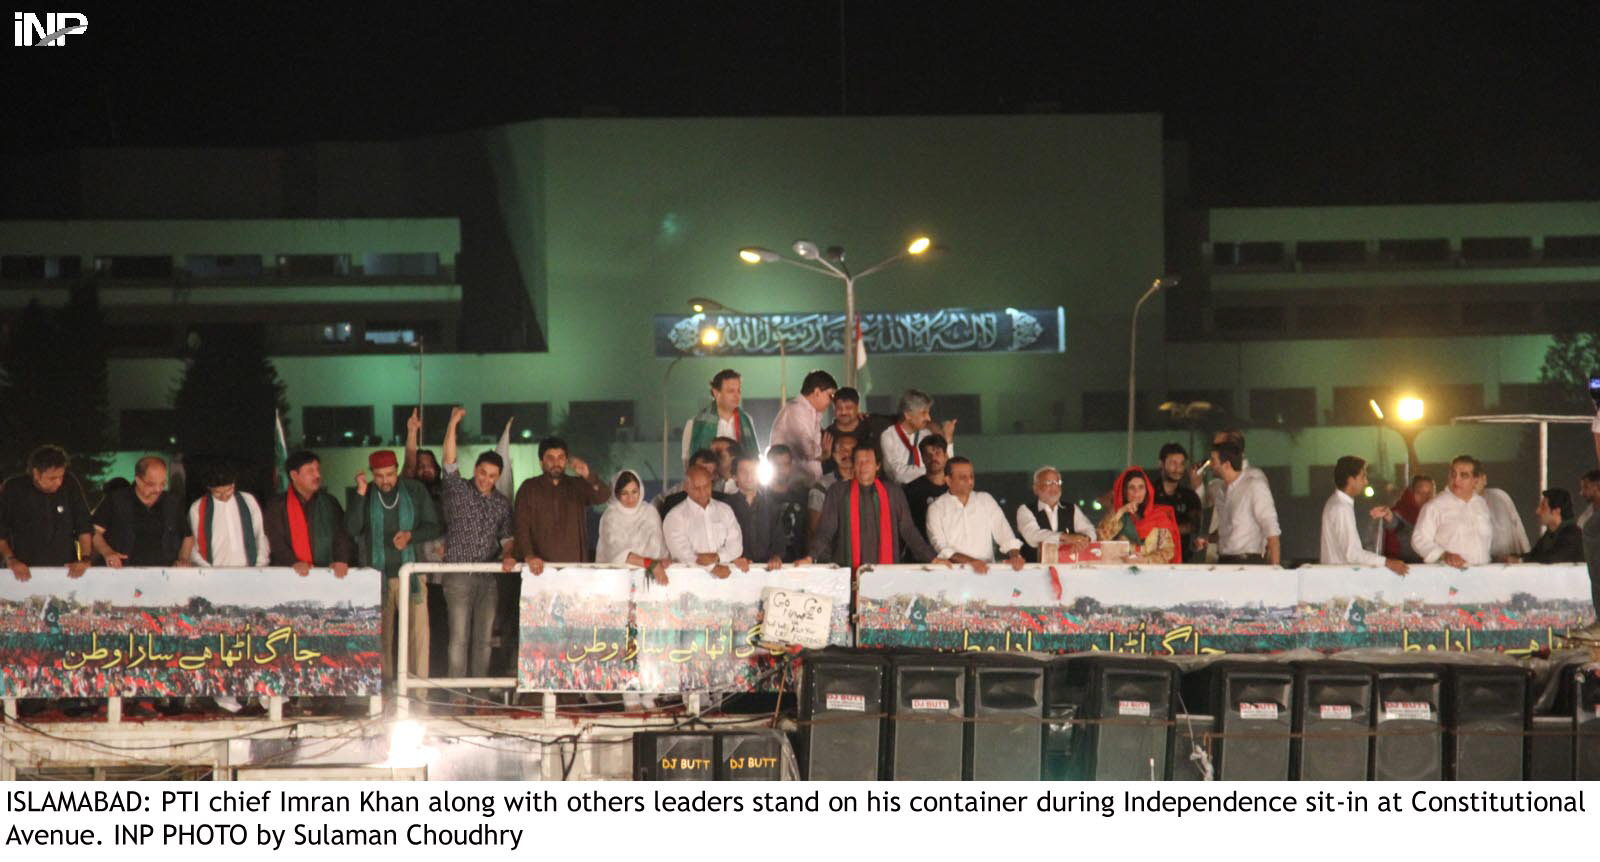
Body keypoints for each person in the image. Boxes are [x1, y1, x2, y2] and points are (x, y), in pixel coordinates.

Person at [348, 449, 443, 684]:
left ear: (397, 469)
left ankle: (418, 692)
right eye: (379, 476)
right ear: (372, 474)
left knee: (418, 636)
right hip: (376, 579)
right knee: (380, 638)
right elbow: (351, 529)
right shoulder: (366, 492)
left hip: (411, 576)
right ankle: (382, 693)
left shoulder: (414, 490)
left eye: (390, 474)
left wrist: (411, 535)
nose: (385, 481)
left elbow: (436, 527)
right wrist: (360, 495)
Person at [438, 407, 518, 682]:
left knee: (483, 641)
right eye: (483, 473)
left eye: (493, 475)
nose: (486, 479)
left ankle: (481, 697)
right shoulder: (458, 489)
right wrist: (453, 424)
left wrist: (509, 555)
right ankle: (457, 696)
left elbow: (508, 539)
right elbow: (449, 460)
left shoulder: (502, 503)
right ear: (475, 470)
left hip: (488, 577)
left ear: (499, 477)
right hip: (458, 576)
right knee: (459, 639)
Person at [801, 445, 944, 568]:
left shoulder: (893, 492)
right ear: (853, 465)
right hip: (847, 572)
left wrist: (932, 558)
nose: (863, 466)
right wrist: (810, 556)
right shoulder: (837, 491)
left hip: (885, 575)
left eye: (868, 461)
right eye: (859, 462)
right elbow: (826, 529)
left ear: (877, 466)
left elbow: (908, 530)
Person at [514, 435, 611, 572]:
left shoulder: (577, 485)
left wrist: (587, 475)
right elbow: (521, 526)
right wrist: (529, 556)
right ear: (541, 462)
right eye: (550, 458)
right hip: (539, 569)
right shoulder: (529, 488)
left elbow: (603, 496)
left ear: (566, 461)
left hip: (575, 569)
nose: (556, 462)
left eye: (561, 457)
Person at [0, 445, 93, 581]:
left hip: (65, 571)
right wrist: (11, 560)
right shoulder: (14, 488)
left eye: (61, 477)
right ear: (36, 473)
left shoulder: (69, 484)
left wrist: (85, 559)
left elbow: (84, 525)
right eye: (52, 478)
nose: (58, 483)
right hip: (23, 572)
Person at [92, 455, 194, 568]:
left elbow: (187, 537)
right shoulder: (116, 500)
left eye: (162, 483)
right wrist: (107, 552)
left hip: (164, 574)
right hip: (121, 572)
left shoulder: (172, 503)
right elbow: (95, 531)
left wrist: (183, 559)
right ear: (138, 480)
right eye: (151, 484)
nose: (158, 489)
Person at [263, 450, 354, 576]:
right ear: (294, 475)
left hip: (326, 573)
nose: (317, 475)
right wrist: (293, 562)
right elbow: (276, 542)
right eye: (310, 470)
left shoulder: (329, 502)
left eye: (318, 469)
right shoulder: (277, 506)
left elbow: (342, 536)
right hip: (289, 574)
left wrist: (341, 560)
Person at [926, 456, 1024, 572]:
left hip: (986, 574)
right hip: (953, 576)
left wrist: (1015, 556)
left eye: (972, 476)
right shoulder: (936, 508)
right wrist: (971, 562)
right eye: (963, 477)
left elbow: (1005, 534)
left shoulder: (985, 500)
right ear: (948, 480)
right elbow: (941, 547)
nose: (970, 481)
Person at [1318, 456, 1408, 574]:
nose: (1366, 482)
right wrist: (1387, 563)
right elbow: (1352, 553)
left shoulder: (1336, 502)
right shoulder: (1341, 508)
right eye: (1363, 476)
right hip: (1340, 582)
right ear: (1351, 480)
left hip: (1337, 579)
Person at [1411, 455, 1494, 569]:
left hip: (1483, 575)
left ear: (1475, 481)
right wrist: (1443, 554)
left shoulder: (1481, 504)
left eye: (1463, 475)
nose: (1456, 480)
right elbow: (1418, 539)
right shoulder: (1435, 506)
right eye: (1453, 474)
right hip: (1448, 576)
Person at [662, 465, 745, 578]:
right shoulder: (675, 516)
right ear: (686, 487)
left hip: (726, 577)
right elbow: (682, 553)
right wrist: (712, 568)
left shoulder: (725, 510)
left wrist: (717, 557)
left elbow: (736, 546)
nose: (702, 492)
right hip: (690, 580)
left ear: (711, 484)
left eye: (706, 486)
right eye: (696, 488)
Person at [1210, 442, 1280, 564]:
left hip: (1249, 563)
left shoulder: (1254, 486)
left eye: (1213, 461)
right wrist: (1208, 538)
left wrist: (1275, 574)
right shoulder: (1221, 492)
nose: (1210, 465)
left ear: (1226, 465)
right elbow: (1227, 531)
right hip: (1224, 562)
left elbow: (1271, 530)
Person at [189, 465, 270, 567]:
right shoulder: (197, 508)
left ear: (234, 484)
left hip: (250, 572)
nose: (224, 496)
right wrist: (208, 570)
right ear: (209, 488)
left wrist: (259, 565)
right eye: (218, 493)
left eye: (228, 490)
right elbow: (193, 547)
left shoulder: (248, 501)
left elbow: (260, 535)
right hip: (213, 574)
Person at [595, 469, 669, 580]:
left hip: (651, 578)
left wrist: (661, 562)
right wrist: (650, 564)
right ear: (616, 494)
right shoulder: (610, 516)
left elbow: (661, 550)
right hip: (617, 579)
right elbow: (617, 553)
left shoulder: (650, 512)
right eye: (624, 493)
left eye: (634, 492)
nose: (630, 498)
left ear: (641, 490)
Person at [1097, 467, 1180, 564]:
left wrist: (1145, 560)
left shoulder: (1158, 516)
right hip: (1120, 574)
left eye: (1141, 487)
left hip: (1153, 575)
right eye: (1132, 487)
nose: (1137, 492)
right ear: (1124, 491)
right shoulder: (1117, 516)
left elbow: (1168, 551)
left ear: (1147, 490)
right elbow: (1100, 539)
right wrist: (1121, 511)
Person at [1015, 465, 1097, 563]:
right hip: (1035, 571)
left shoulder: (1071, 508)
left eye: (1057, 482)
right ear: (1036, 489)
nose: (1054, 486)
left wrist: (1084, 540)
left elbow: (1089, 530)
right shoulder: (1025, 510)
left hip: (1068, 569)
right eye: (1048, 482)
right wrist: (1066, 537)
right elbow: (1033, 536)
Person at [768, 369, 838, 483]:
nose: (831, 401)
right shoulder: (796, 410)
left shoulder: (813, 413)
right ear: (816, 392)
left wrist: (822, 454)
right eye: (830, 395)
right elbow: (807, 450)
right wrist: (823, 453)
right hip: (793, 486)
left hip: (807, 484)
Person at [683, 368, 759, 466]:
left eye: (739, 391)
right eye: (731, 391)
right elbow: (687, 463)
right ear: (715, 392)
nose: (737, 396)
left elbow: (754, 457)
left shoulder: (747, 420)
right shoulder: (694, 424)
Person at [879, 390, 956, 486]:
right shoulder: (888, 436)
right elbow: (897, 474)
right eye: (924, 413)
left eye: (928, 413)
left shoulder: (927, 435)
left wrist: (947, 439)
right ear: (907, 415)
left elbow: (948, 469)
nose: (929, 418)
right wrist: (933, 471)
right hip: (899, 496)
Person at [727, 454, 784, 569]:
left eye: (753, 471)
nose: (749, 476)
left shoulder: (771, 505)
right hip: (736, 569)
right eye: (743, 472)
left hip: (767, 569)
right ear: (735, 476)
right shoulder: (726, 506)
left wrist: (776, 557)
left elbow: (779, 538)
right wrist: (734, 559)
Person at [1151, 443, 1204, 561]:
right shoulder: (1148, 493)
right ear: (1161, 464)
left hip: (1182, 562)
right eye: (1173, 463)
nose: (1178, 469)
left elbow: (1195, 526)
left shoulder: (1190, 496)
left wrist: (1165, 530)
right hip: (1151, 561)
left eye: (1181, 464)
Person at [808, 432, 859, 537]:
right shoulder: (822, 485)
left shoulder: (867, 482)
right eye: (843, 450)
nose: (848, 454)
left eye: (853, 450)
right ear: (834, 455)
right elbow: (814, 527)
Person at [765, 445, 810, 562]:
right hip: (766, 564)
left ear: (791, 465)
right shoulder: (758, 497)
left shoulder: (802, 496)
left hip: (798, 563)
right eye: (777, 465)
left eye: (786, 464)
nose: (781, 469)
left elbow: (809, 531)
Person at [1475, 468, 1530, 561]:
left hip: (1510, 561)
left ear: (1484, 479)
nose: (1474, 483)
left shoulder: (1500, 496)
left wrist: (1527, 557)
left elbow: (1518, 527)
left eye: (1476, 478)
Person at [902, 434, 950, 540]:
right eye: (928, 454)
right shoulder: (910, 491)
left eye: (937, 453)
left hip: (954, 552)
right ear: (922, 458)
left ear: (946, 456)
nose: (933, 458)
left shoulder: (955, 489)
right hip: (922, 553)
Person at [1517, 489, 1584, 564]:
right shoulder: (1549, 535)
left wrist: (1522, 560)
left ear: (1556, 511)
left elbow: (1552, 557)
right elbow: (1535, 554)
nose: (1538, 511)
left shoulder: (1573, 535)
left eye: (1543, 507)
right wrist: (1518, 557)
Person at [1383, 473, 1436, 563]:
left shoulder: (1436, 514)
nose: (1426, 498)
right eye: (1420, 493)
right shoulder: (1398, 514)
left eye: (1429, 493)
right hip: (1399, 567)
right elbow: (1394, 523)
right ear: (1411, 493)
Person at [655, 449, 725, 516]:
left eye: (709, 473)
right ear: (689, 470)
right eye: (700, 470)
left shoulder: (723, 502)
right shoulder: (672, 501)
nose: (703, 475)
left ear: (714, 476)